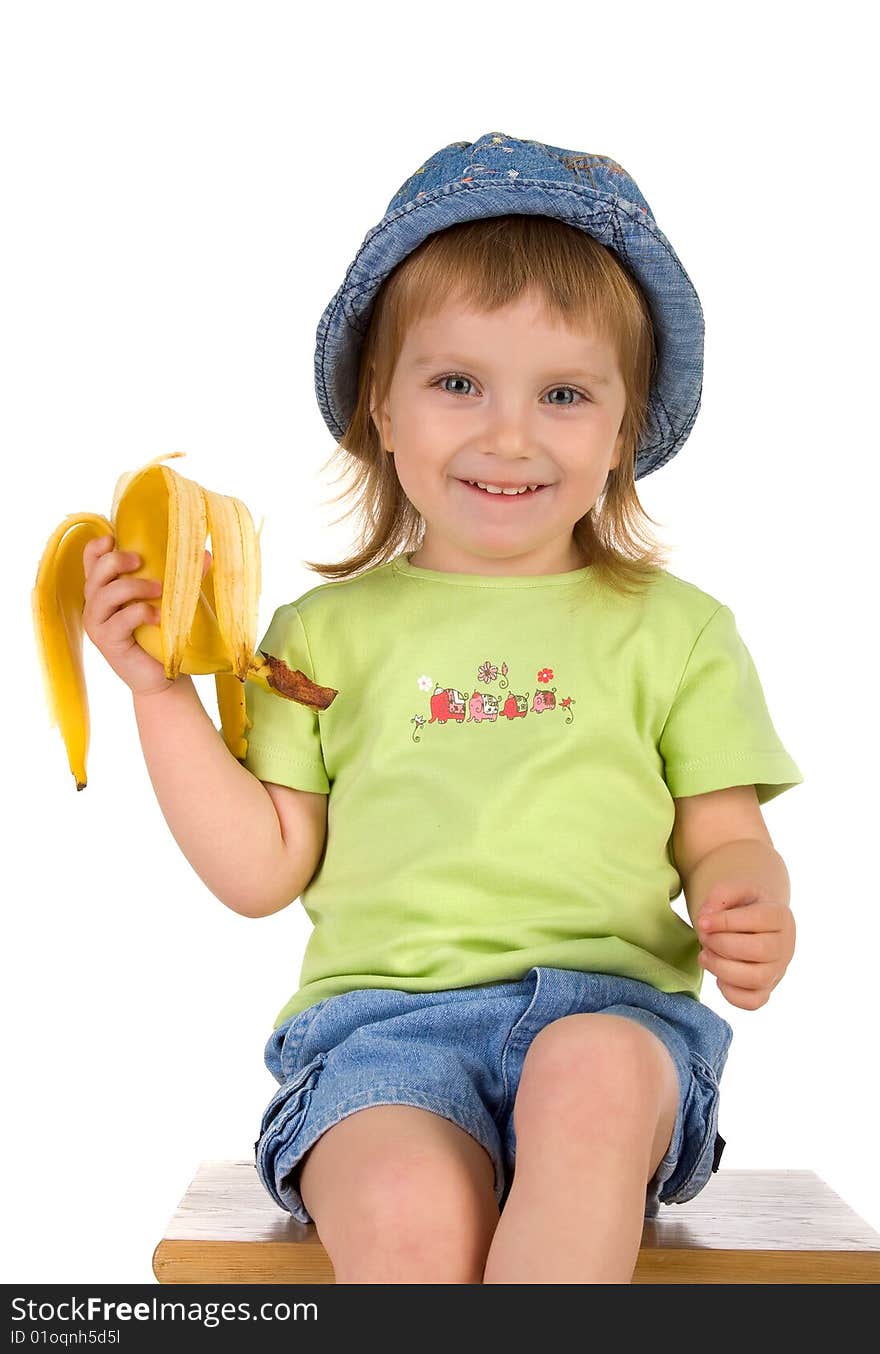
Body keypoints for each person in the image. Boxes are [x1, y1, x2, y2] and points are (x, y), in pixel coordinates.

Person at [81, 131, 804, 1284]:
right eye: (457, 381)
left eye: (563, 393)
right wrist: (160, 690)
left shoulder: (679, 631)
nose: (507, 434)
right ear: (379, 399)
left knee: (589, 1075)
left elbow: (725, 836)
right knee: (407, 1204)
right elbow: (262, 868)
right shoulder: (320, 639)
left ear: (624, 431)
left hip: (616, 1019)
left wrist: (746, 902)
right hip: (380, 1039)